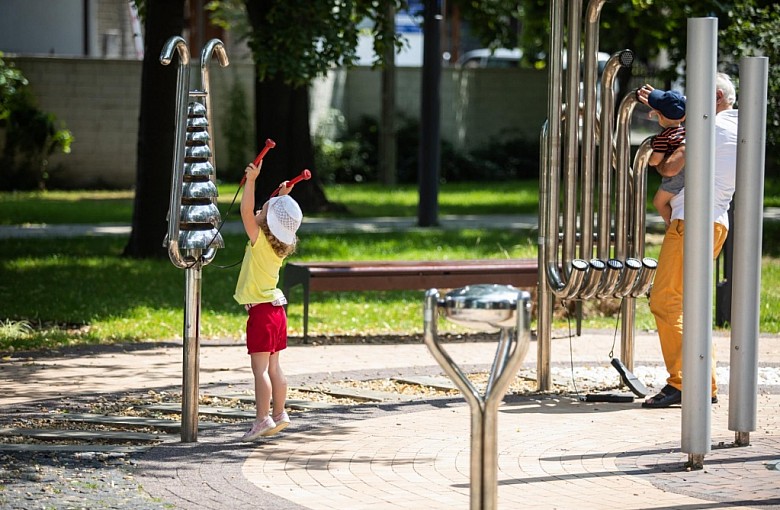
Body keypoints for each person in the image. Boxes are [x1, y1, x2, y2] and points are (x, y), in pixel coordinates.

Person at [637, 73, 738, 408]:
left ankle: (684, 382)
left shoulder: (713, 128)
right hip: (711, 223)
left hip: (693, 222)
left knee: (665, 300)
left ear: (717, 98)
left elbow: (670, 167)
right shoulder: (733, 127)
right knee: (688, 306)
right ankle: (701, 383)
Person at [233, 160, 303, 440]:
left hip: (261, 314)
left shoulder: (257, 239)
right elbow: (271, 215)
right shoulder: (280, 246)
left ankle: (262, 419)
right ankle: (279, 413)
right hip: (278, 312)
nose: (262, 208)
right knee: (275, 367)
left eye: (265, 210)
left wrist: (251, 180)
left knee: (259, 370)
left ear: (266, 221)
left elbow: (246, 211)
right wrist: (282, 197)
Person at [642, 87, 687, 228]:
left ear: (659, 116)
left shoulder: (663, 137)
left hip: (676, 177)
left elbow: (656, 160)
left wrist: (648, 160)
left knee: (659, 202)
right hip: (686, 173)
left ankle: (671, 225)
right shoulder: (685, 132)